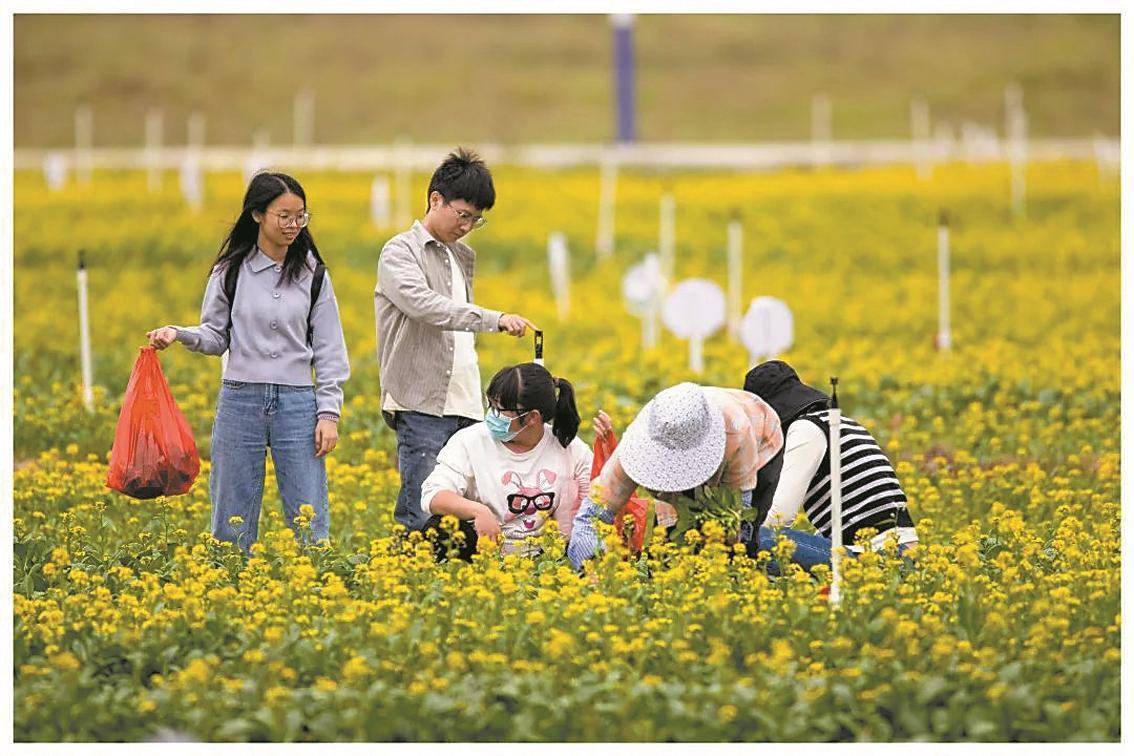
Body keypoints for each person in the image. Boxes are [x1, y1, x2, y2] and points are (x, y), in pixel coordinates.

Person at [147, 171, 350, 552]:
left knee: (309, 513)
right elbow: (215, 336)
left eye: (301, 216)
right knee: (231, 513)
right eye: (284, 216)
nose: (294, 225)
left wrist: (329, 414)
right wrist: (180, 333)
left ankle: (315, 583)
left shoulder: (314, 274)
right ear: (258, 215)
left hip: (298, 403)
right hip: (241, 400)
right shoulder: (231, 271)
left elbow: (329, 351)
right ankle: (229, 584)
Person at [375, 148, 538, 534]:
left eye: (476, 220)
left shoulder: (460, 255)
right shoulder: (400, 251)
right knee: (423, 510)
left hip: (466, 402)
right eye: (462, 215)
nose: (466, 226)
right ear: (436, 199)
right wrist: (493, 319)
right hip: (422, 403)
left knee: (468, 510)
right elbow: (426, 307)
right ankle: (410, 581)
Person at [567, 382, 783, 569]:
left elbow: (737, 517)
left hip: (760, 440)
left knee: (745, 548)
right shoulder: (645, 437)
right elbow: (590, 518)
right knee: (666, 558)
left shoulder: (737, 432)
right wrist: (593, 566)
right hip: (697, 435)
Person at [742, 360, 919, 569]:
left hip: (880, 555)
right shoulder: (837, 423)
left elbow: (778, 518)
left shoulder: (806, 429)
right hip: (898, 551)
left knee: (758, 540)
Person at [419, 363, 592, 558]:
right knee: (440, 528)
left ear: (532, 417)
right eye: (491, 405)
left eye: (500, 410)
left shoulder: (569, 448)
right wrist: (478, 511)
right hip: (482, 552)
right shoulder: (470, 440)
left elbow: (598, 502)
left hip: (546, 558)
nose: (492, 415)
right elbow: (433, 494)